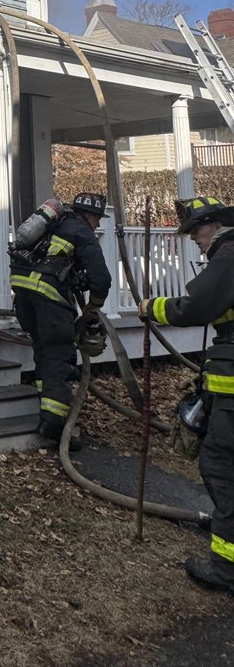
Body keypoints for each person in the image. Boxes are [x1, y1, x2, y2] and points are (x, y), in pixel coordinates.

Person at [138, 195, 234, 594]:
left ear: (216, 224)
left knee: (221, 465)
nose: (194, 237)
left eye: (197, 229)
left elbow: (196, 306)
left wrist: (152, 307)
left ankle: (226, 568)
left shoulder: (228, 255)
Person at [10, 192, 112, 447]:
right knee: (58, 357)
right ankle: (54, 425)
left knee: (44, 351)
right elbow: (102, 278)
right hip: (48, 299)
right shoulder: (81, 231)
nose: (98, 224)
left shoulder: (53, 225)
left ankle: (45, 405)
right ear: (88, 215)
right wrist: (93, 307)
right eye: (97, 219)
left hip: (23, 296)